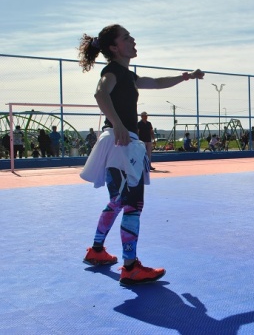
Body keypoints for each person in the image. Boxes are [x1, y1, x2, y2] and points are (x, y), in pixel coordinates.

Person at [77, 24, 204, 285]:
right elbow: (100, 94)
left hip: (117, 145)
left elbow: (156, 83)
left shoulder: (127, 75)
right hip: (121, 144)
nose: (132, 39)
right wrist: (119, 124)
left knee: (117, 201)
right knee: (133, 206)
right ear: (114, 47)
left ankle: (97, 250)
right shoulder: (112, 71)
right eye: (126, 37)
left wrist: (186, 76)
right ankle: (130, 266)